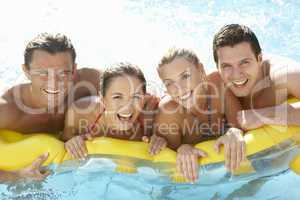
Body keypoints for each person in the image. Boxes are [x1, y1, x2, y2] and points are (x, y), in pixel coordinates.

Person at [0, 33, 100, 182]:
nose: (54, 82)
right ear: (26, 71)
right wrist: (15, 175)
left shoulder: (89, 82)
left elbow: (138, 92)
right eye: (43, 73)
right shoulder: (8, 110)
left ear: (74, 70)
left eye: (63, 73)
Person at [147, 48, 246, 183]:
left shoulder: (219, 83)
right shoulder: (168, 113)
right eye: (170, 83)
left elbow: (241, 125)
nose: (179, 88)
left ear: (201, 70)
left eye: (185, 76)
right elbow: (165, 170)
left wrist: (234, 131)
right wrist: (183, 148)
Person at [62, 62, 159, 160]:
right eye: (117, 97)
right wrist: (71, 142)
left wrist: (159, 140)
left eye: (136, 97)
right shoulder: (80, 113)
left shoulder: (150, 117)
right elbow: (62, 144)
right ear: (103, 99)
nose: (127, 106)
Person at [213, 24, 300, 130]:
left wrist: (264, 115)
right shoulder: (213, 87)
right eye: (227, 66)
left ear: (259, 59)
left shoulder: (287, 75)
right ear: (217, 67)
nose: (236, 74)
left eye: (244, 62)